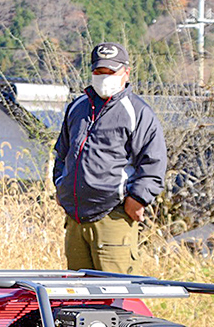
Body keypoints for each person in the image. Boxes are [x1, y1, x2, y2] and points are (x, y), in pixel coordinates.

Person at [52, 42, 167, 274]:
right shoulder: (77, 107)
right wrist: (60, 186)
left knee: (113, 296)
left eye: (110, 72)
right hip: (74, 218)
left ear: (125, 72)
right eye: (99, 72)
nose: (104, 77)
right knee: (75, 296)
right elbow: (62, 153)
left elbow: (153, 163)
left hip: (114, 215)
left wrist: (138, 199)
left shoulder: (138, 112)